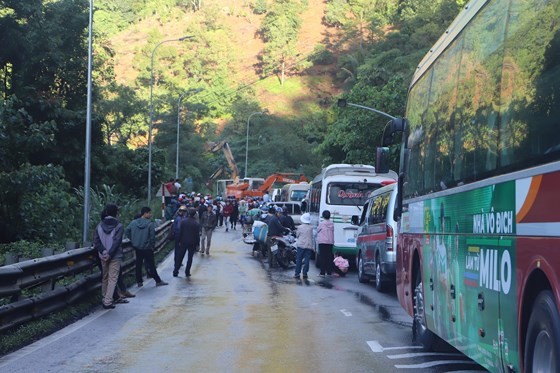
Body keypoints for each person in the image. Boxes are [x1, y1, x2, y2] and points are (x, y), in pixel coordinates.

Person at [126, 207, 168, 287]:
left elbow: (127, 231)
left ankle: (139, 281)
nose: (150, 215)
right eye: (149, 213)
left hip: (137, 247)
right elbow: (152, 237)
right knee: (151, 265)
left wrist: (133, 240)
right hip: (147, 248)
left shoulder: (133, 223)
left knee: (138, 264)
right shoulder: (150, 224)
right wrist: (152, 246)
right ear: (145, 213)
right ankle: (158, 281)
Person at [93, 204, 124, 309]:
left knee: (105, 277)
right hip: (114, 255)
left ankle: (104, 298)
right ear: (116, 213)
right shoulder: (119, 226)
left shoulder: (99, 225)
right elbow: (117, 241)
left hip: (102, 255)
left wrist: (104, 252)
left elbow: (96, 241)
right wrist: (110, 254)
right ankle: (108, 301)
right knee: (113, 278)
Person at [178, 209, 201, 277]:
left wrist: (179, 241)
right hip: (192, 243)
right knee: (190, 258)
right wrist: (197, 244)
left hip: (183, 241)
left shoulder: (183, 222)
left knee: (180, 256)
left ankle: (176, 271)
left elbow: (180, 232)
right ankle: (187, 272)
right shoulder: (196, 224)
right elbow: (197, 235)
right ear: (194, 215)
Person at [294, 213, 314, 279]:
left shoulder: (300, 227)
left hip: (301, 245)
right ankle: (305, 273)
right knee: (307, 260)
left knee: (299, 259)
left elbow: (297, 235)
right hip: (309, 245)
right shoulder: (311, 228)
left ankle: (297, 273)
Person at [317, 210, 334, 277]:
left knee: (322, 257)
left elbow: (318, 230)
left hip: (322, 242)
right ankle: (329, 272)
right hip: (330, 242)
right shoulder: (332, 224)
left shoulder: (321, 224)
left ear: (323, 216)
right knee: (329, 257)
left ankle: (322, 272)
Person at [172, 205, 188, 276]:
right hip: (180, 237)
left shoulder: (180, 218)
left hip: (179, 236)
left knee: (178, 251)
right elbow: (178, 228)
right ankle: (177, 264)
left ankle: (177, 263)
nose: (182, 212)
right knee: (179, 251)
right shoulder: (179, 219)